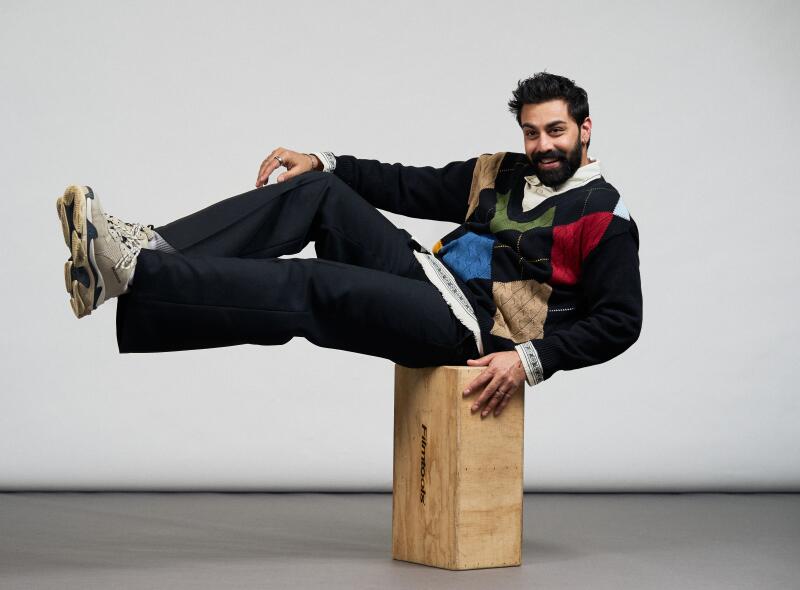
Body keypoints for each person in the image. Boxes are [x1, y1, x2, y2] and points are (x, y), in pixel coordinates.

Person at [55, 72, 642, 419]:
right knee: (317, 191)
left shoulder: (606, 219)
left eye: (556, 131)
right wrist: (325, 161)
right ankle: (147, 252)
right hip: (429, 277)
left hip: (468, 329)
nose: (542, 144)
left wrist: (528, 361)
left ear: (585, 129)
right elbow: (407, 183)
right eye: (532, 131)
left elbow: (619, 321)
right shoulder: (501, 170)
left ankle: (135, 275)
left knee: (313, 284)